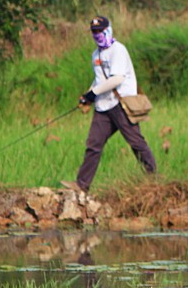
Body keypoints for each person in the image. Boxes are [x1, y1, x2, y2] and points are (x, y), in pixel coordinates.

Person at [66, 16, 157, 194]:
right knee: (93, 145)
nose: (97, 34)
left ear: (108, 29)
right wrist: (88, 96)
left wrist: (94, 92)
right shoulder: (96, 54)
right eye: (94, 32)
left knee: (136, 143)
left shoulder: (118, 50)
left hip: (121, 104)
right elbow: (99, 80)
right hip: (103, 107)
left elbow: (117, 79)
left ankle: (153, 180)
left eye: (100, 30)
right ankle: (82, 185)